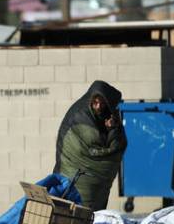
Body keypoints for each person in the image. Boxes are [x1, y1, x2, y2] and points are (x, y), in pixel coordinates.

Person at [54, 81, 127, 211]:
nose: (98, 107)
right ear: (90, 100)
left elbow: (118, 144)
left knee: (86, 217)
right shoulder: (82, 116)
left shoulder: (106, 117)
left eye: (102, 104)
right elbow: (102, 149)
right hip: (75, 176)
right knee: (77, 214)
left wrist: (112, 128)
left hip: (89, 183)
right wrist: (110, 131)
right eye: (95, 102)